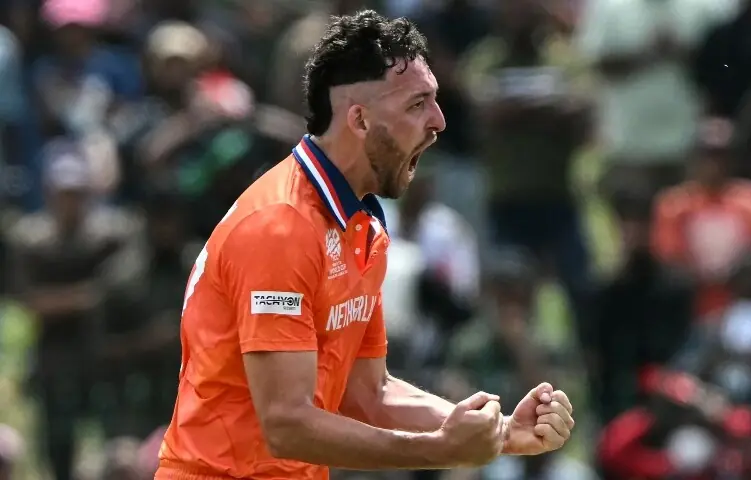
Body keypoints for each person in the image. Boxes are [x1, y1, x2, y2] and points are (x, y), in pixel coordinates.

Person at [156, 10, 574, 480]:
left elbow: (369, 394)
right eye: (417, 105)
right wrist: (439, 450)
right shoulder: (282, 226)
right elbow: (286, 424)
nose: (438, 122)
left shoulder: (361, 226)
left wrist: (500, 433)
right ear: (358, 119)